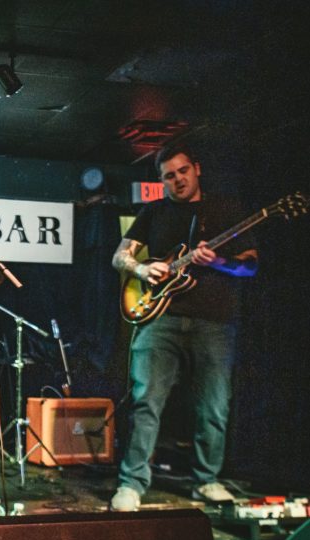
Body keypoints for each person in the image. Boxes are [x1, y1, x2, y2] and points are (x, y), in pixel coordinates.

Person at [109, 143, 258, 512]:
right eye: (168, 176)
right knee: (146, 401)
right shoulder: (155, 211)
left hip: (214, 322)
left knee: (214, 405)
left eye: (182, 172)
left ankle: (206, 480)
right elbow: (119, 256)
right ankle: (131, 485)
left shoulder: (226, 210)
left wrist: (218, 260)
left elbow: (250, 267)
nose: (177, 180)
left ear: (197, 168)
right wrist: (143, 270)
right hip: (160, 318)